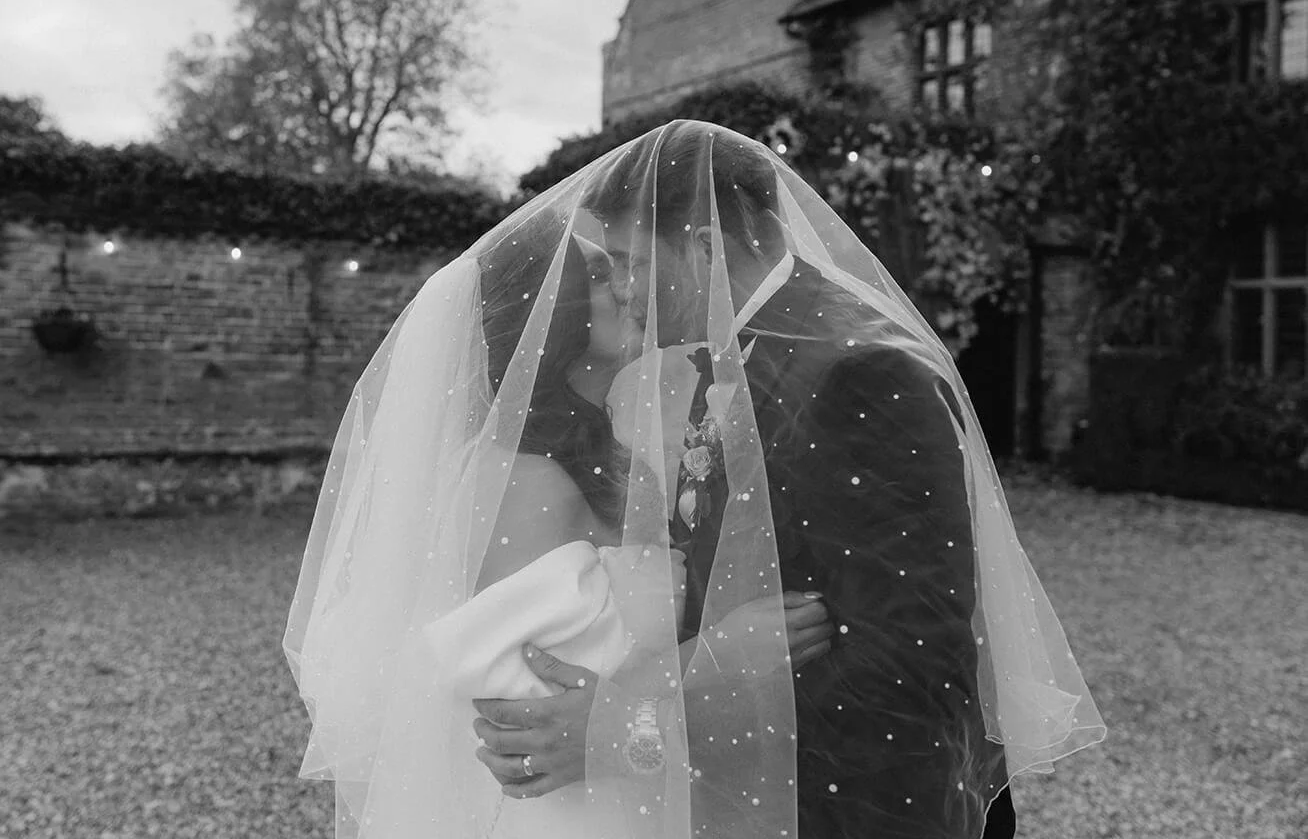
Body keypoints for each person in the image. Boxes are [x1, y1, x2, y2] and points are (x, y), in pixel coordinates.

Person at [285, 119, 1104, 839]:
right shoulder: (734, 360)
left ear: (706, 248)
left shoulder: (860, 371)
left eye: (630, 262)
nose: (621, 291)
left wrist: (634, 727)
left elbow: (909, 672)